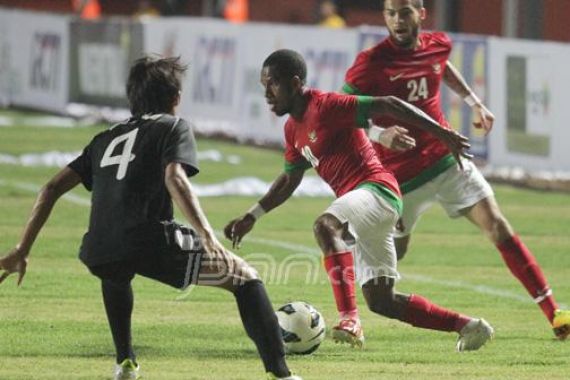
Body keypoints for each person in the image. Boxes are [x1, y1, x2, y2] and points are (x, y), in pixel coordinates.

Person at [0, 56, 301, 380]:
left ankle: (125, 362)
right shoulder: (173, 126)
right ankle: (281, 374)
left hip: (97, 246)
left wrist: (22, 249)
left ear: (133, 99)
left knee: (114, 267)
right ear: (175, 99)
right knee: (244, 276)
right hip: (149, 240)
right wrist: (207, 235)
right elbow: (175, 178)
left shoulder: (104, 138)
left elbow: (50, 188)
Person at [224, 48, 494, 351]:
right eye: (264, 86)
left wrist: (442, 133)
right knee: (382, 301)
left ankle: (349, 318)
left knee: (326, 227)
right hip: (364, 205)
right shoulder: (292, 129)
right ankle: (468, 326)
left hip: (377, 190)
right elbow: (290, 178)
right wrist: (252, 215)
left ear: (295, 82)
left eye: (272, 84)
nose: (267, 94)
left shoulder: (326, 106)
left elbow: (389, 104)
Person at [342, 0, 570, 340]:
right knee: (395, 253)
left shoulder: (438, 44)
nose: (397, 20)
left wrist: (474, 102)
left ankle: (555, 313)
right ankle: (348, 307)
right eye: (390, 13)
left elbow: (440, 66)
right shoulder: (372, 63)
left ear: (420, 14)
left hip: (446, 159)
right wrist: (379, 134)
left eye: (404, 12)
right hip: (400, 177)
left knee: (497, 226)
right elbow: (342, 112)